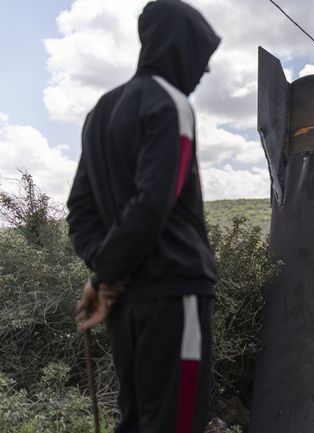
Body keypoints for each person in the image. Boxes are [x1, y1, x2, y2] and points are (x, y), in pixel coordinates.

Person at [67, 1, 220, 432]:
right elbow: (154, 203)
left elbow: (79, 209)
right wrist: (106, 278)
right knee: (178, 423)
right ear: (179, 48)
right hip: (176, 293)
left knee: (136, 421)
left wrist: (104, 274)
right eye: (202, 57)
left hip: (126, 305)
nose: (205, 72)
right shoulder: (170, 104)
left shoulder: (101, 111)